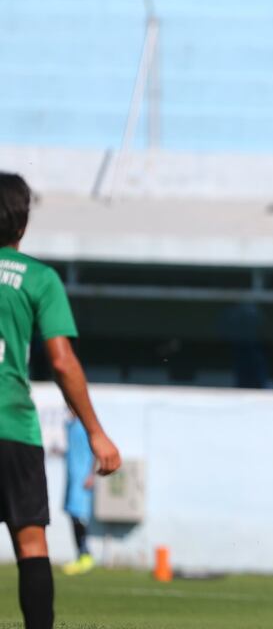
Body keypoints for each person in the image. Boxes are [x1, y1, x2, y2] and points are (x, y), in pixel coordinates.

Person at [0, 173, 121, 629]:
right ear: (23, 223)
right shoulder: (40, 279)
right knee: (31, 545)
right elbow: (63, 362)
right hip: (13, 428)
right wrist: (95, 431)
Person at [62, 414, 96, 576]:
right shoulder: (69, 425)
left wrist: (91, 475)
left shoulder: (86, 425)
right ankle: (82, 554)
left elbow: (96, 449)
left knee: (79, 516)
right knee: (73, 515)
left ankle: (85, 555)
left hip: (82, 479)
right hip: (72, 477)